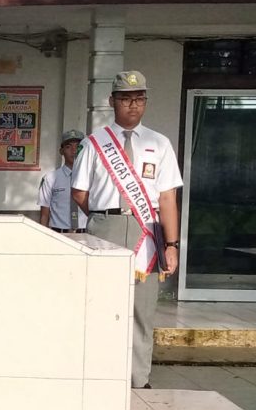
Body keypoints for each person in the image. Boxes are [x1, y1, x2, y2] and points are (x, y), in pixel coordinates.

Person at [71, 71, 182, 390]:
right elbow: (79, 192)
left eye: (139, 98)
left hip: (146, 231)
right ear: (112, 102)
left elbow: (167, 197)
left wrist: (171, 244)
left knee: (141, 311)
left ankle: (138, 379)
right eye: (125, 98)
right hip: (105, 226)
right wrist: (105, 215)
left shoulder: (159, 144)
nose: (133, 105)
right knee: (99, 306)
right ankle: (99, 374)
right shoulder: (94, 143)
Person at [38, 129, 90, 233]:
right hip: (60, 234)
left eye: (77, 146)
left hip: (86, 234)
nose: (74, 150)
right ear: (61, 151)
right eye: (68, 147)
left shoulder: (92, 178)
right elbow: (44, 213)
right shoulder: (50, 178)